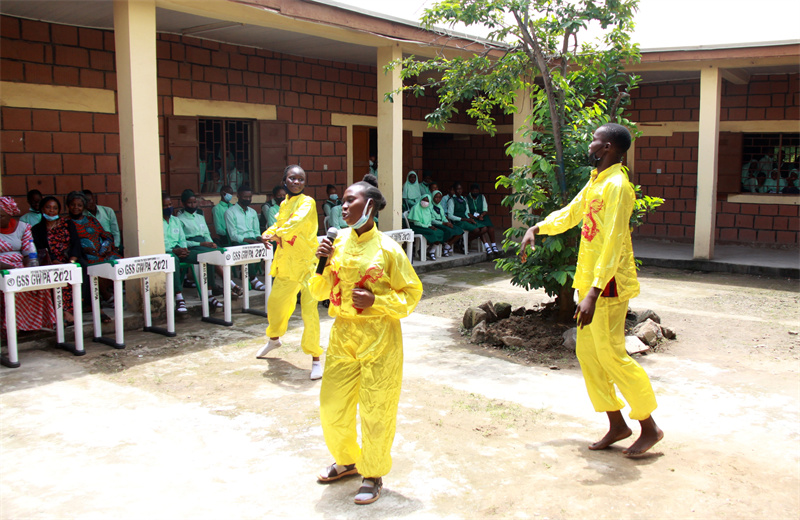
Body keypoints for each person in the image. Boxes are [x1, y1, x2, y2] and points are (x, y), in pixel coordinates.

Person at [520, 123, 662, 457]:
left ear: (608, 146)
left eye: (595, 140)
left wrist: (594, 293)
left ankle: (650, 427)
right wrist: (537, 227)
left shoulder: (618, 186)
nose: (590, 144)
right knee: (588, 353)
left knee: (612, 355)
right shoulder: (597, 180)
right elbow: (572, 213)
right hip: (590, 281)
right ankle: (617, 423)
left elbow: (613, 242)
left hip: (608, 286)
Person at [310, 174, 423, 505]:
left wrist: (378, 302)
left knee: (376, 407)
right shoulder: (337, 243)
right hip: (343, 334)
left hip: (380, 338)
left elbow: (413, 293)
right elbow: (317, 291)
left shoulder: (389, 249)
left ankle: (372, 473)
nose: (343, 207)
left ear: (370, 206)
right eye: (342, 201)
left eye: (351, 201)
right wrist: (321, 264)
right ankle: (347, 461)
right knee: (332, 405)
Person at [256, 165, 323, 380]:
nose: (296, 182)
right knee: (275, 305)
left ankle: (315, 358)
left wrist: (274, 235)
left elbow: (296, 222)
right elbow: (278, 224)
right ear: (284, 180)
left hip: (307, 265)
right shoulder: (284, 204)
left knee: (309, 311)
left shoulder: (307, 202)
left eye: (300, 179)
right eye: (292, 178)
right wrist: (269, 233)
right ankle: (274, 339)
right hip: (286, 265)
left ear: (305, 182)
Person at [0, 196, 56, 332]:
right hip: (2, 268)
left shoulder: (23, 227)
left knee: (38, 285)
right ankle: (12, 328)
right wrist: (10, 268)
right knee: (12, 287)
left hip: (19, 266)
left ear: (10, 214)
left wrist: (25, 270)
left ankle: (31, 325)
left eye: (1, 215)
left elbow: (28, 253)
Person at [176, 189, 242, 303]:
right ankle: (229, 285)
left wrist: (211, 243)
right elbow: (182, 241)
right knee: (211, 256)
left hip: (205, 244)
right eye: (189, 203)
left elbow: (206, 233)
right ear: (184, 204)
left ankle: (227, 287)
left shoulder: (200, 217)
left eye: (194, 202)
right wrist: (201, 244)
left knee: (221, 251)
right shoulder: (180, 219)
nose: (193, 205)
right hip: (194, 245)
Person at [65, 191, 119, 320]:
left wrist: (106, 245)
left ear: (83, 207)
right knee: (92, 268)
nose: (76, 207)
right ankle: (105, 298)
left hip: (102, 252)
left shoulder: (91, 220)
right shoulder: (65, 223)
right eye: (73, 205)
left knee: (117, 262)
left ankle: (115, 295)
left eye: (79, 205)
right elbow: (68, 244)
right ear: (68, 206)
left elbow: (105, 234)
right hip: (85, 256)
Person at [31, 196, 83, 325]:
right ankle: (63, 313)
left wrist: (72, 260)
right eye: (48, 207)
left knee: (80, 271)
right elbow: (40, 249)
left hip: (69, 260)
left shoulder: (68, 224)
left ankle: (75, 311)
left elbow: (76, 243)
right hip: (50, 262)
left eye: (55, 208)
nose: (51, 211)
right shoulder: (37, 229)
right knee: (57, 277)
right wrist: (54, 261)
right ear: (42, 209)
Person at [224, 185, 266, 291]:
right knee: (248, 248)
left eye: (249, 197)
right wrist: (250, 241)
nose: (247, 199)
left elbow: (257, 231)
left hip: (253, 240)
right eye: (245, 197)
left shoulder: (252, 212)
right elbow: (233, 235)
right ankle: (253, 278)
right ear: (238, 196)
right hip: (239, 242)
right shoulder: (230, 212)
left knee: (271, 245)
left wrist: (260, 239)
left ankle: (274, 275)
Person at [447, 182, 494, 258]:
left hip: (465, 220)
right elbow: (450, 215)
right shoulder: (451, 200)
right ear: (454, 190)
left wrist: (470, 219)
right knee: (476, 230)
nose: (459, 191)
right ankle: (461, 243)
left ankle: (464, 242)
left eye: (461, 189)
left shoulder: (463, 200)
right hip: (458, 221)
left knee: (484, 228)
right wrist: (463, 219)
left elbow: (467, 212)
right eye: (457, 189)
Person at [406, 194, 444, 260]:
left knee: (440, 232)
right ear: (421, 199)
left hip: (426, 227)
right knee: (432, 233)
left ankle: (431, 251)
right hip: (416, 226)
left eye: (427, 201)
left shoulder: (428, 209)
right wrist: (428, 227)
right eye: (424, 200)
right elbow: (416, 222)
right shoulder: (416, 208)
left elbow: (429, 221)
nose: (425, 202)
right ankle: (424, 250)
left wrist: (430, 226)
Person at [467, 183, 500, 255]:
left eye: (477, 191)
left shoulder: (482, 197)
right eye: (474, 191)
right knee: (483, 228)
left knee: (490, 228)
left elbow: (485, 209)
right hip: (473, 217)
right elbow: (467, 212)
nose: (475, 193)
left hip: (482, 215)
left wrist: (481, 215)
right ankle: (486, 246)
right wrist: (474, 216)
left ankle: (493, 245)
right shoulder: (466, 199)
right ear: (471, 191)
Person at [430, 190, 463, 257]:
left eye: (439, 198)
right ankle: (444, 245)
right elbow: (431, 220)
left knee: (459, 230)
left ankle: (447, 245)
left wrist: (447, 222)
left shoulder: (440, 206)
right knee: (448, 231)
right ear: (432, 197)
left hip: (443, 223)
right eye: (436, 197)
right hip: (436, 224)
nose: (438, 199)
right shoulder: (430, 207)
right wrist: (443, 223)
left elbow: (443, 217)